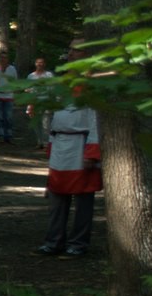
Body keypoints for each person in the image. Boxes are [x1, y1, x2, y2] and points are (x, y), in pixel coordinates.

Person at [36, 41, 101, 258]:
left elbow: (95, 118)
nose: (71, 53)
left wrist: (92, 152)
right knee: (56, 195)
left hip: (80, 144)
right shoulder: (62, 81)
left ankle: (78, 243)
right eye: (71, 48)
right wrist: (50, 143)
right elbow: (52, 114)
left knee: (83, 199)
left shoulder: (92, 82)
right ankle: (54, 240)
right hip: (60, 144)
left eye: (77, 49)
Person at [0, 47, 19, 143]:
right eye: (1, 58)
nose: (3, 60)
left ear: (7, 59)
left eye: (5, 58)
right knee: (0, 117)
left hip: (9, 95)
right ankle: (1, 134)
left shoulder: (12, 69)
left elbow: (15, 82)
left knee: (8, 117)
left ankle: (8, 135)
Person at [25, 57, 55, 150]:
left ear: (44, 64)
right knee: (36, 123)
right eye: (38, 62)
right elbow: (27, 89)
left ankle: (46, 143)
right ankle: (39, 141)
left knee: (46, 123)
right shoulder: (31, 76)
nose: (39, 64)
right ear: (35, 64)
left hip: (45, 101)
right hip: (34, 101)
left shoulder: (49, 75)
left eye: (41, 62)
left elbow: (53, 88)